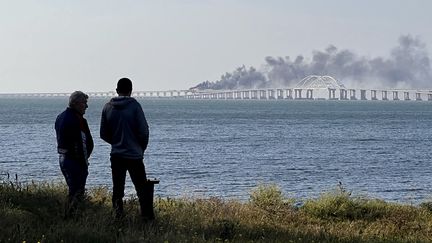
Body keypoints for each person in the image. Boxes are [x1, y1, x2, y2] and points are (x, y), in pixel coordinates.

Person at [100, 78, 153, 220]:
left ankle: (118, 218)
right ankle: (147, 219)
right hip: (134, 155)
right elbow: (144, 131)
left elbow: (103, 134)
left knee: (117, 190)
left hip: (116, 155)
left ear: (117, 90)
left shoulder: (107, 107)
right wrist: (140, 148)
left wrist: (116, 142)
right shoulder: (135, 106)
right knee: (142, 189)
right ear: (131, 90)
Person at [55, 91, 94, 217]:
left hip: (64, 158)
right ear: (76, 104)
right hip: (75, 161)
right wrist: (84, 163)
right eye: (84, 103)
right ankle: (72, 217)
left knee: (73, 190)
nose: (86, 106)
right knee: (77, 192)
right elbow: (81, 143)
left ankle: (70, 215)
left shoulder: (60, 117)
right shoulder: (77, 120)